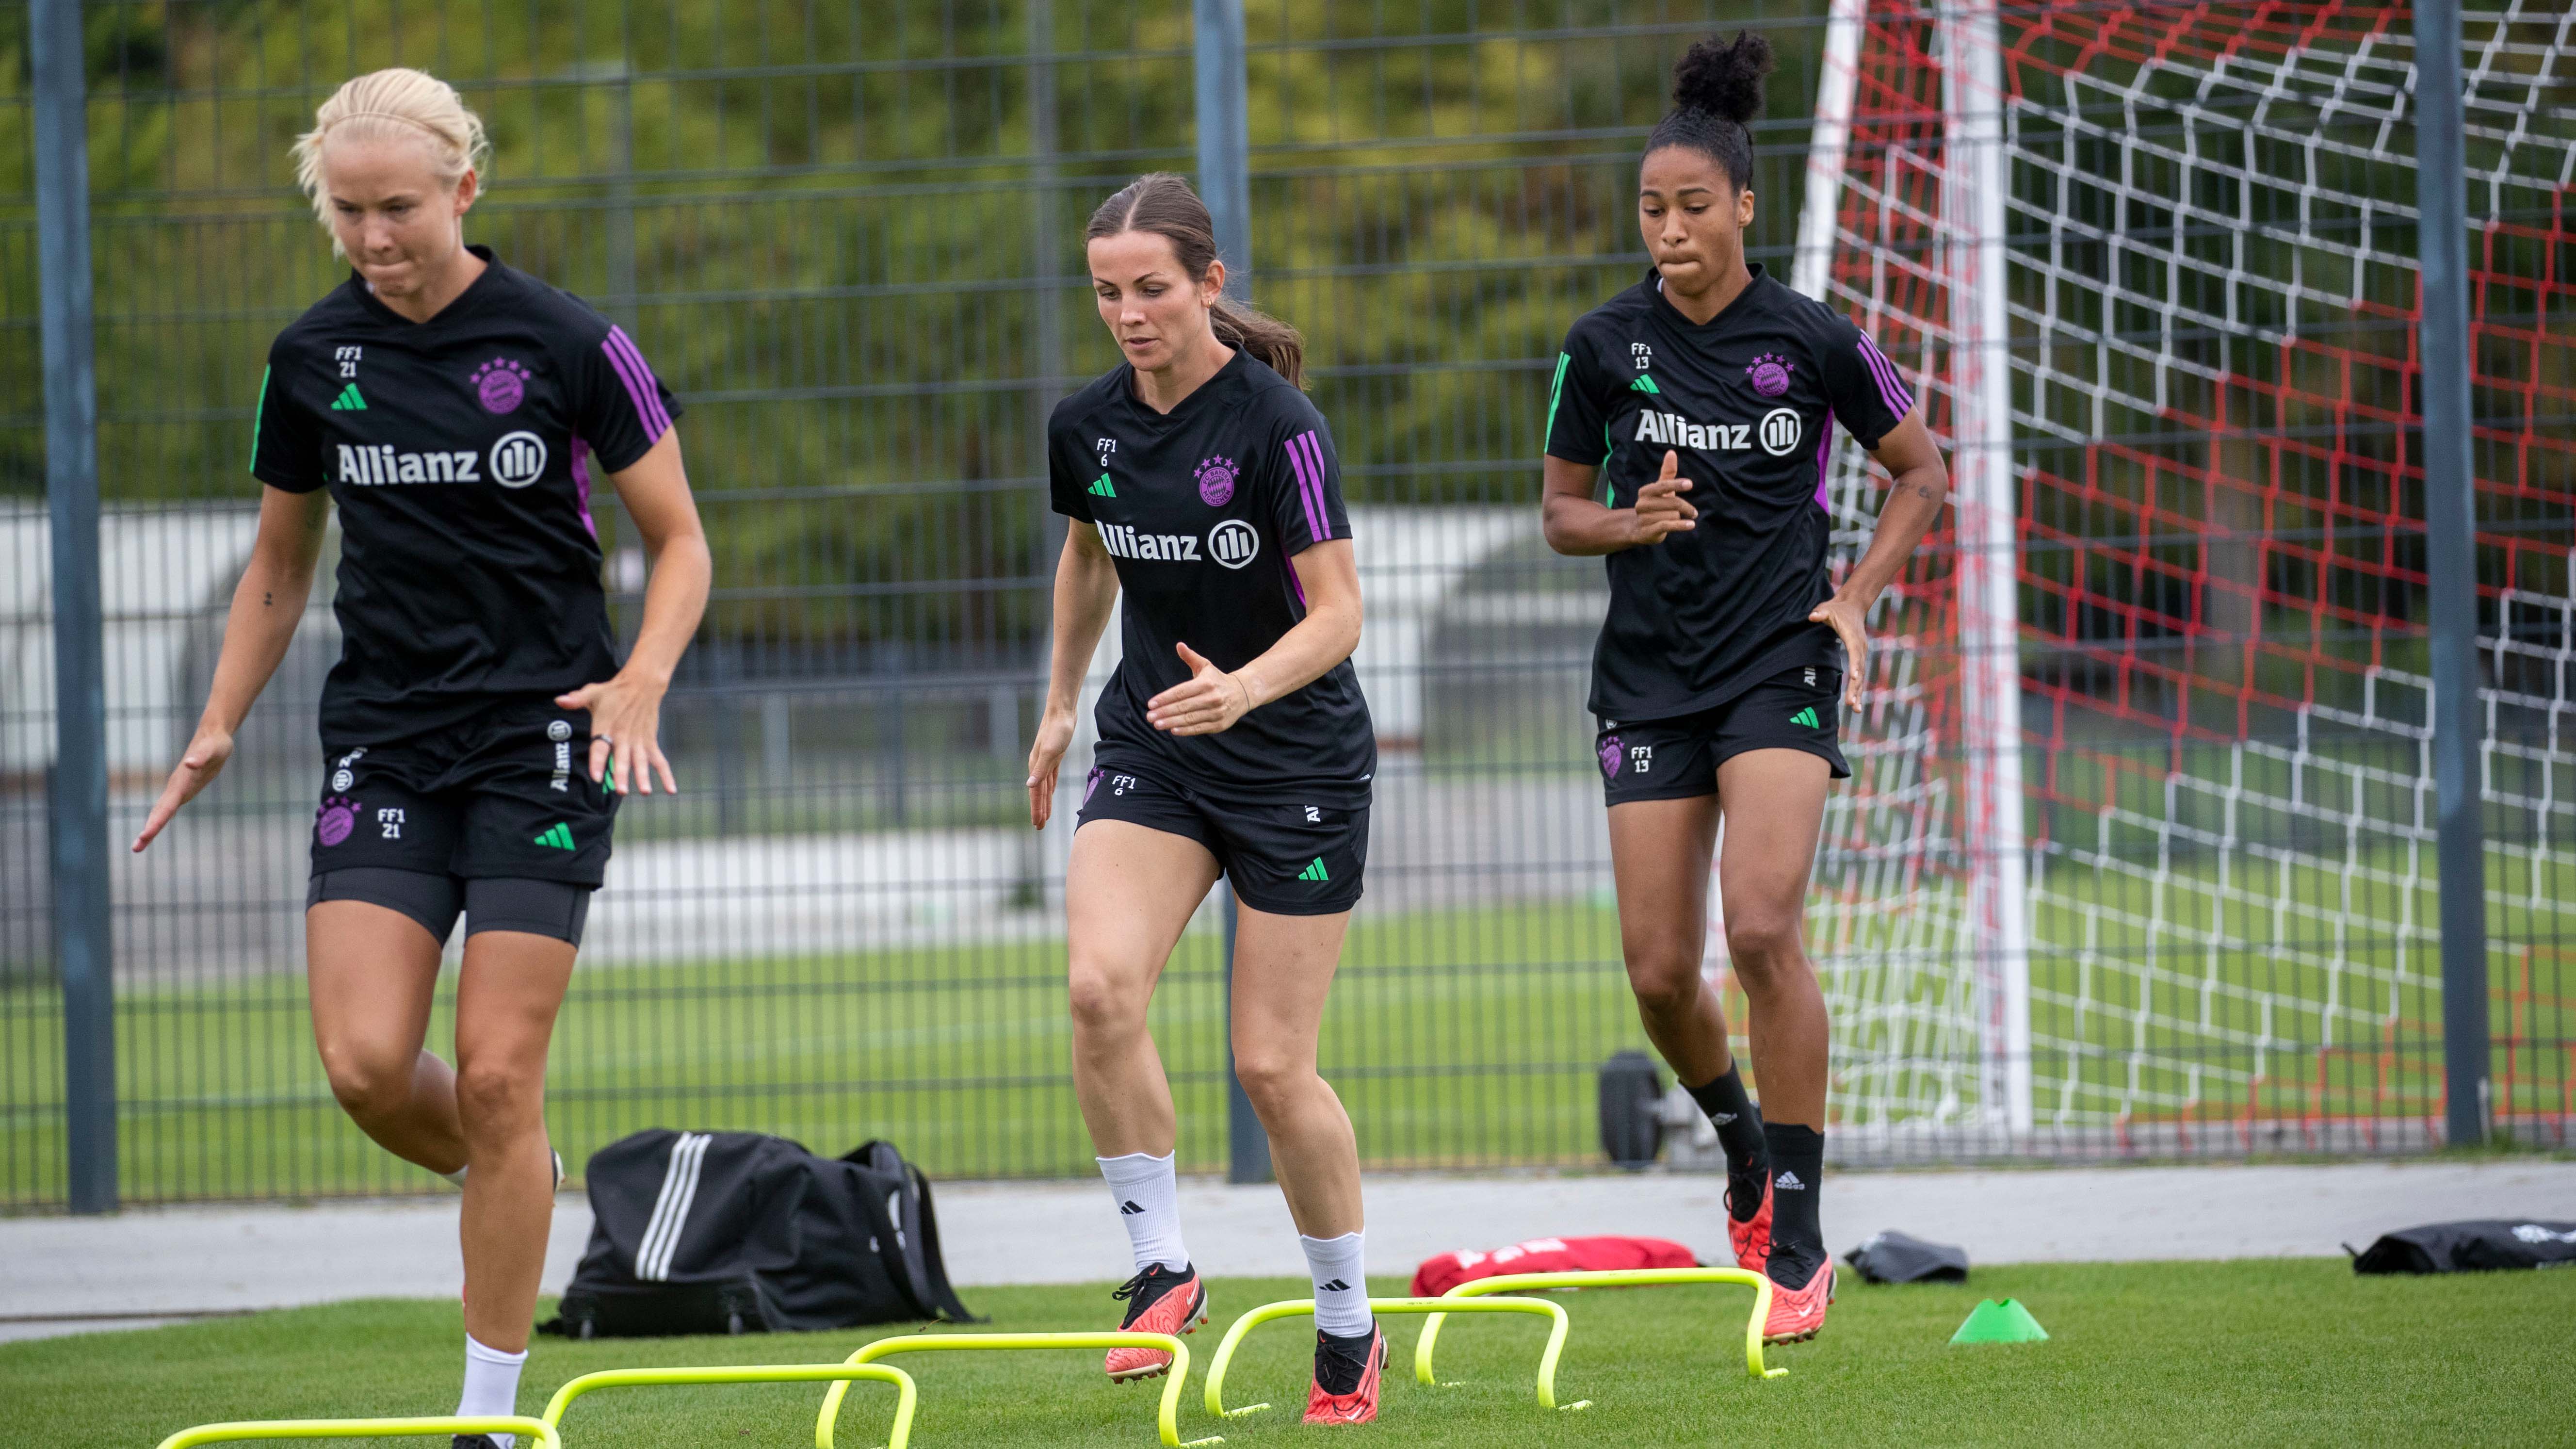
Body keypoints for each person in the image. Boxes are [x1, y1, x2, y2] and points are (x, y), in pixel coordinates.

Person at [130, 68, 711, 1449]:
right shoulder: (308, 358)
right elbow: (280, 567)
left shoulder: (573, 343)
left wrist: (641, 679)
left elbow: (680, 538)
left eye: (399, 207)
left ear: (466, 189)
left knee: (500, 1073)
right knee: (366, 1067)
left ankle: (491, 1418)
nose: (375, 236)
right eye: (348, 212)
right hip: (388, 739)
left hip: (546, 738)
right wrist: (215, 719)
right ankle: (519, 1170)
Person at [1539, 31, 1952, 1344]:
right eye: (1652, 209)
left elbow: (1922, 470)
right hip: (1650, 679)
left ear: (1745, 208)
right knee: (1661, 972)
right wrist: (1631, 519)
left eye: (1692, 207)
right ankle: (1733, 1137)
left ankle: (1802, 1228)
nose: (1668, 229)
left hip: (1781, 656)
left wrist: (1855, 597)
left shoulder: (1815, 339)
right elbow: (1557, 512)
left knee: (1763, 927)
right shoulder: (1602, 348)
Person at [1025, 173, 1385, 1424]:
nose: (1129, 314)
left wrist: (1245, 690)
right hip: (1157, 744)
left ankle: (1348, 1326)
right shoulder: (1087, 426)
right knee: (1095, 987)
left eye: (1153, 289)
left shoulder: (1278, 424)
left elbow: (1339, 616)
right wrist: (1064, 701)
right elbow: (1087, 557)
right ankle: (1160, 1264)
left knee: (1274, 1069)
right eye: (1108, 292)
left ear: (1209, 284)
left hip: (1296, 760)